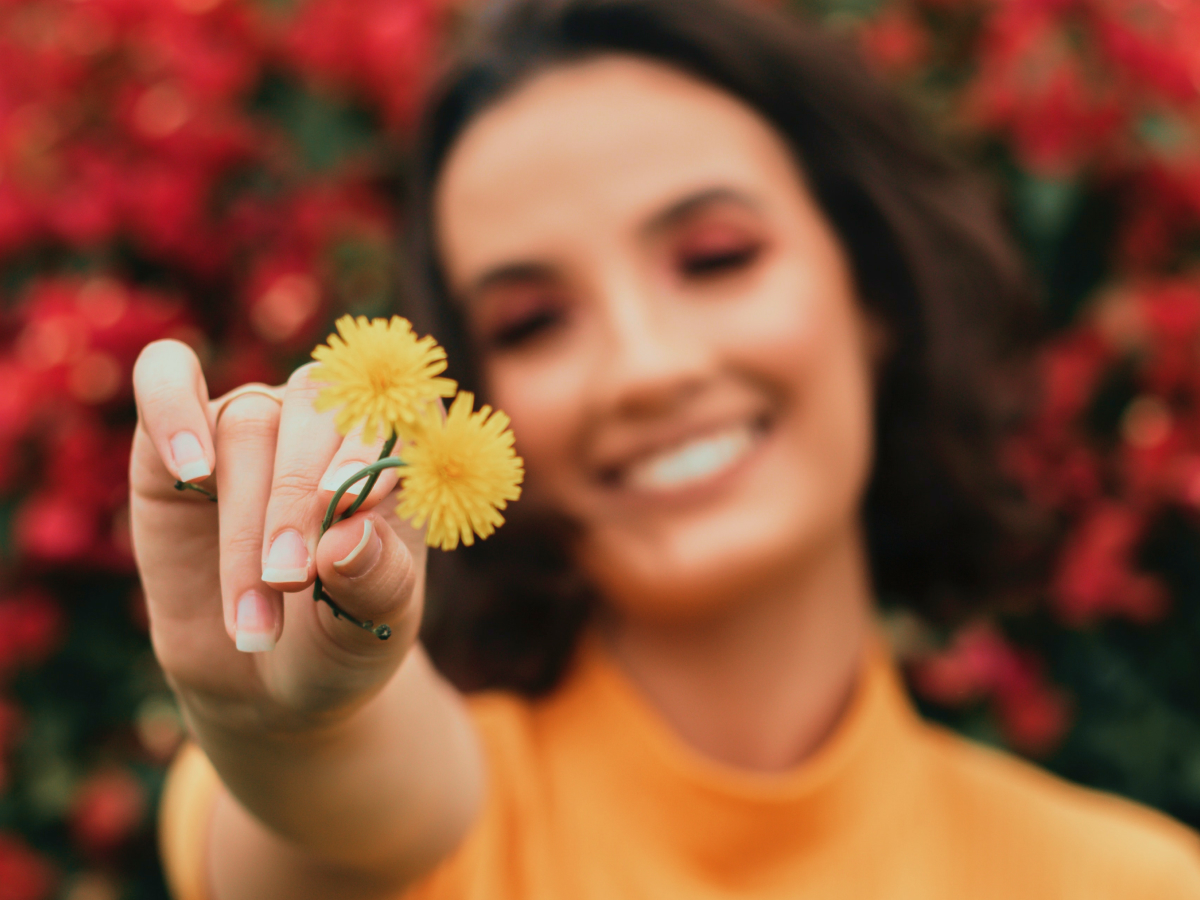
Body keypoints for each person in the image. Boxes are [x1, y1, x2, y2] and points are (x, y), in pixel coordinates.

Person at [133, 0, 1200, 897]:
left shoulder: (1132, 881)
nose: (646, 368)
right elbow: (354, 810)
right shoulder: (441, 832)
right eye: (531, 323)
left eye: (716, 257)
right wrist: (289, 732)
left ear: (869, 286)